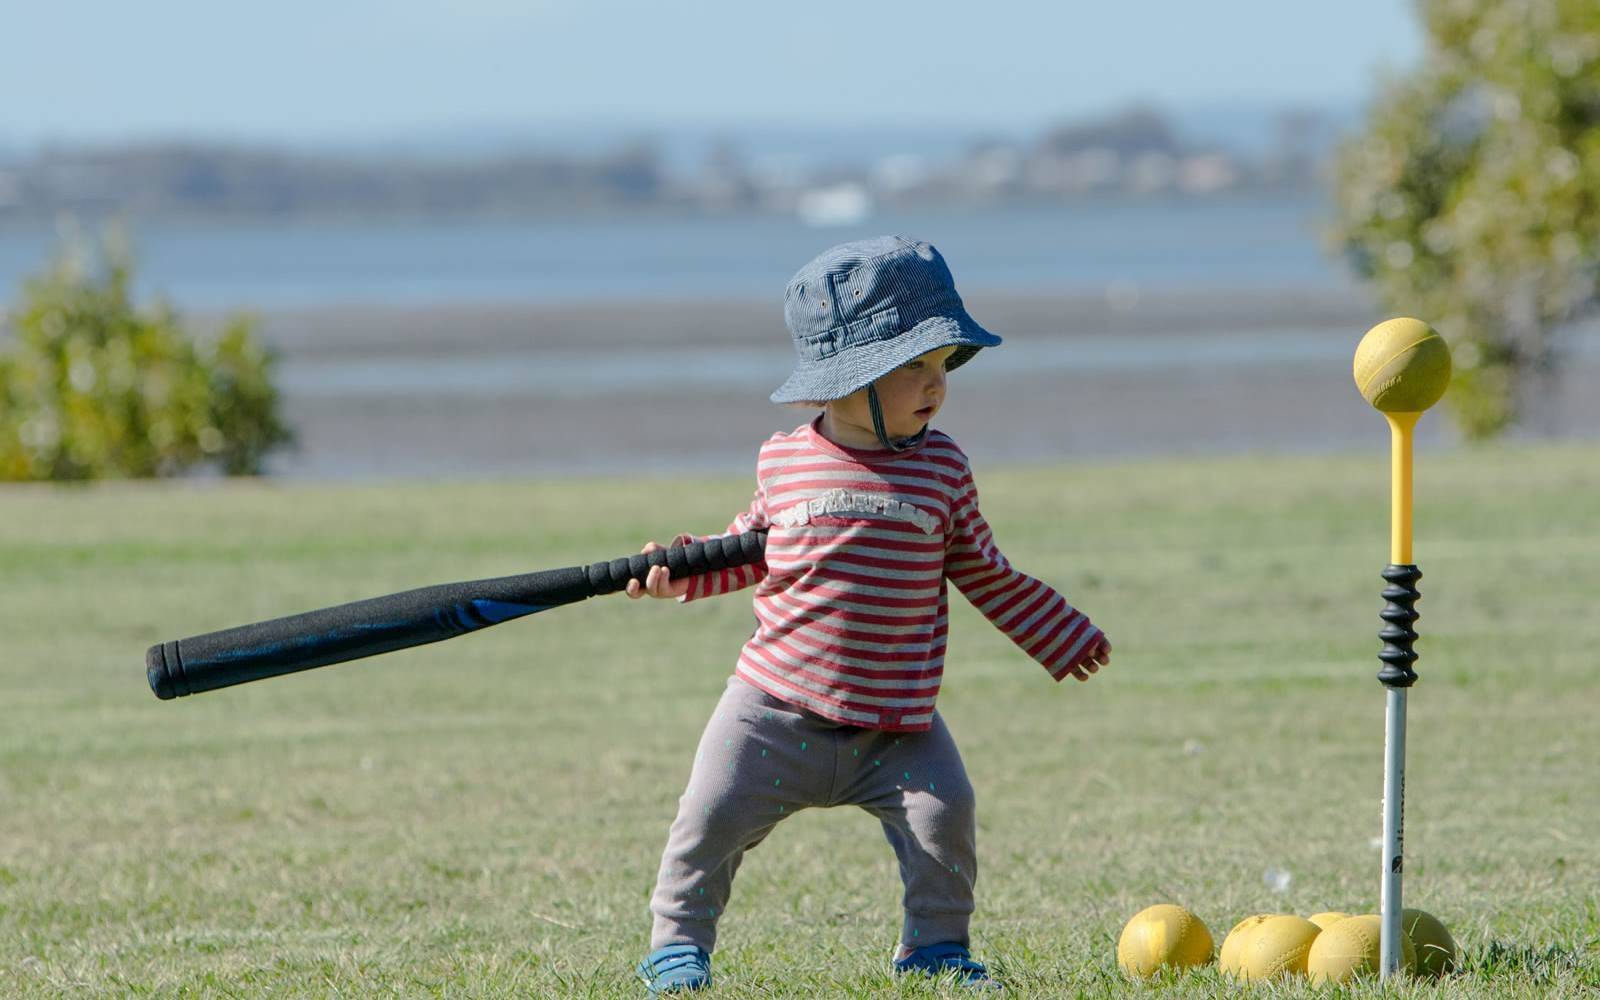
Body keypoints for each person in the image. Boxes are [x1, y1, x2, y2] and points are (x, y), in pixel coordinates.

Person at [628, 236, 1112, 995]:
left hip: (898, 722)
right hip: (772, 709)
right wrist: (675, 573)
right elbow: (748, 549)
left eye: (941, 363)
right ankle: (677, 944)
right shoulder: (785, 460)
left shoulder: (943, 467)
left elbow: (981, 567)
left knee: (945, 819)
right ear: (841, 384)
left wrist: (1060, 632)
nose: (935, 384)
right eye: (910, 366)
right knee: (708, 818)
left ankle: (937, 950)